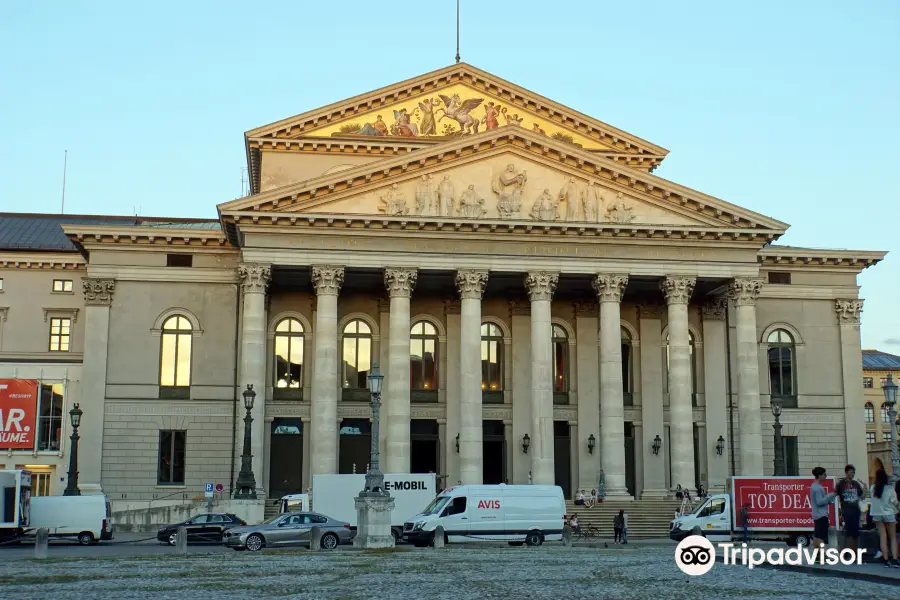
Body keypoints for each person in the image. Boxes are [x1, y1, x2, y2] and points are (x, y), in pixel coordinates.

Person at [869, 468, 899, 567]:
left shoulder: (872, 488)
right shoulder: (889, 488)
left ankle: (886, 560)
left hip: (877, 515)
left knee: (883, 537)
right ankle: (894, 559)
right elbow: (895, 502)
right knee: (893, 537)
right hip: (888, 514)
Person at [835, 463, 866, 552]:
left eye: (853, 473)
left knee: (854, 532)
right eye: (850, 473)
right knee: (849, 531)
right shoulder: (841, 483)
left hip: (856, 510)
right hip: (847, 510)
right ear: (846, 473)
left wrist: (865, 487)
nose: (851, 475)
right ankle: (849, 553)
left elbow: (862, 496)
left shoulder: (855, 483)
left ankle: (852, 552)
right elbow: (835, 493)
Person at [809, 466, 837, 548]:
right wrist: (831, 495)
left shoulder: (815, 486)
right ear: (819, 475)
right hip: (821, 515)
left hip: (818, 514)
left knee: (817, 536)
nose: (826, 476)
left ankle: (818, 556)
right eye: (824, 474)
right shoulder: (817, 488)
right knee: (821, 537)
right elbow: (819, 502)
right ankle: (821, 555)